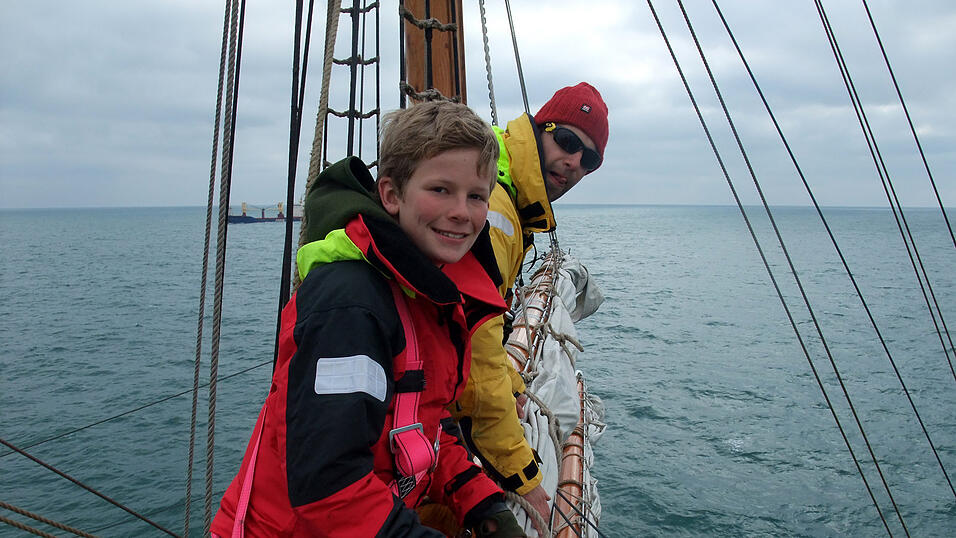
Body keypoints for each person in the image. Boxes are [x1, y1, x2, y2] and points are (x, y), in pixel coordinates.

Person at [211, 100, 526, 537]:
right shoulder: (351, 306)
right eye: (440, 190)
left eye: (476, 196)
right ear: (391, 195)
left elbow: (423, 423)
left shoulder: (423, 291)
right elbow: (329, 489)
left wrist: (481, 500)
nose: (462, 212)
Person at [449, 82, 609, 525]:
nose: (575, 161)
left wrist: (516, 388)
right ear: (540, 128)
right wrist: (524, 473)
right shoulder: (496, 209)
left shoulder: (507, 192)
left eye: (589, 159)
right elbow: (475, 358)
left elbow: (475, 324)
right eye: (568, 141)